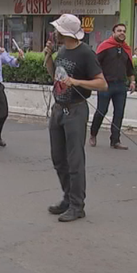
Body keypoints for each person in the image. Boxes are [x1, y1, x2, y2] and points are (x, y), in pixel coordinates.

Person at [43, 14, 108, 222]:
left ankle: (77, 205)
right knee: (58, 158)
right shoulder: (61, 50)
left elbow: (102, 83)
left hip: (76, 109)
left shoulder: (86, 53)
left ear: (66, 33)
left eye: (58, 30)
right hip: (59, 108)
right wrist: (48, 58)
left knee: (75, 160)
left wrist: (76, 82)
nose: (55, 33)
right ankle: (68, 197)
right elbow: (55, 75)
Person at [90, 23, 135, 150]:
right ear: (113, 33)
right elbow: (95, 64)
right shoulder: (105, 46)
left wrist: (132, 81)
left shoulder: (126, 49)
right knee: (101, 111)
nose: (122, 33)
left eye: (124, 31)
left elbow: (130, 68)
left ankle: (115, 140)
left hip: (120, 86)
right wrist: (98, 79)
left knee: (119, 113)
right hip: (105, 85)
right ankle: (93, 134)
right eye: (119, 31)